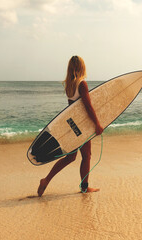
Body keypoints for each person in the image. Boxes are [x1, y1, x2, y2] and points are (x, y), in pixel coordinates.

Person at [37, 56, 104, 197]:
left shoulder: (69, 85)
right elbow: (88, 106)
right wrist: (97, 124)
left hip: (72, 125)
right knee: (86, 155)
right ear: (81, 67)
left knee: (70, 157)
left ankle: (46, 180)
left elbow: (71, 108)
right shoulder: (82, 84)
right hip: (82, 126)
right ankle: (85, 188)